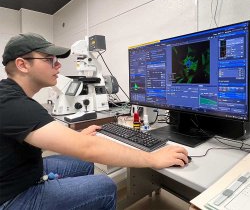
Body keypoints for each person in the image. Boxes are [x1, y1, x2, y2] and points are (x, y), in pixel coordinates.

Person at [0, 33, 189, 210]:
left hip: (20, 170)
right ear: (22, 65)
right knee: (105, 185)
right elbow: (88, 148)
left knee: (85, 163)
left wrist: (77, 137)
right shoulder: (13, 103)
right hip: (11, 197)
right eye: (50, 60)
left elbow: (40, 138)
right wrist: (152, 159)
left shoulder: (11, 95)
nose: (58, 66)